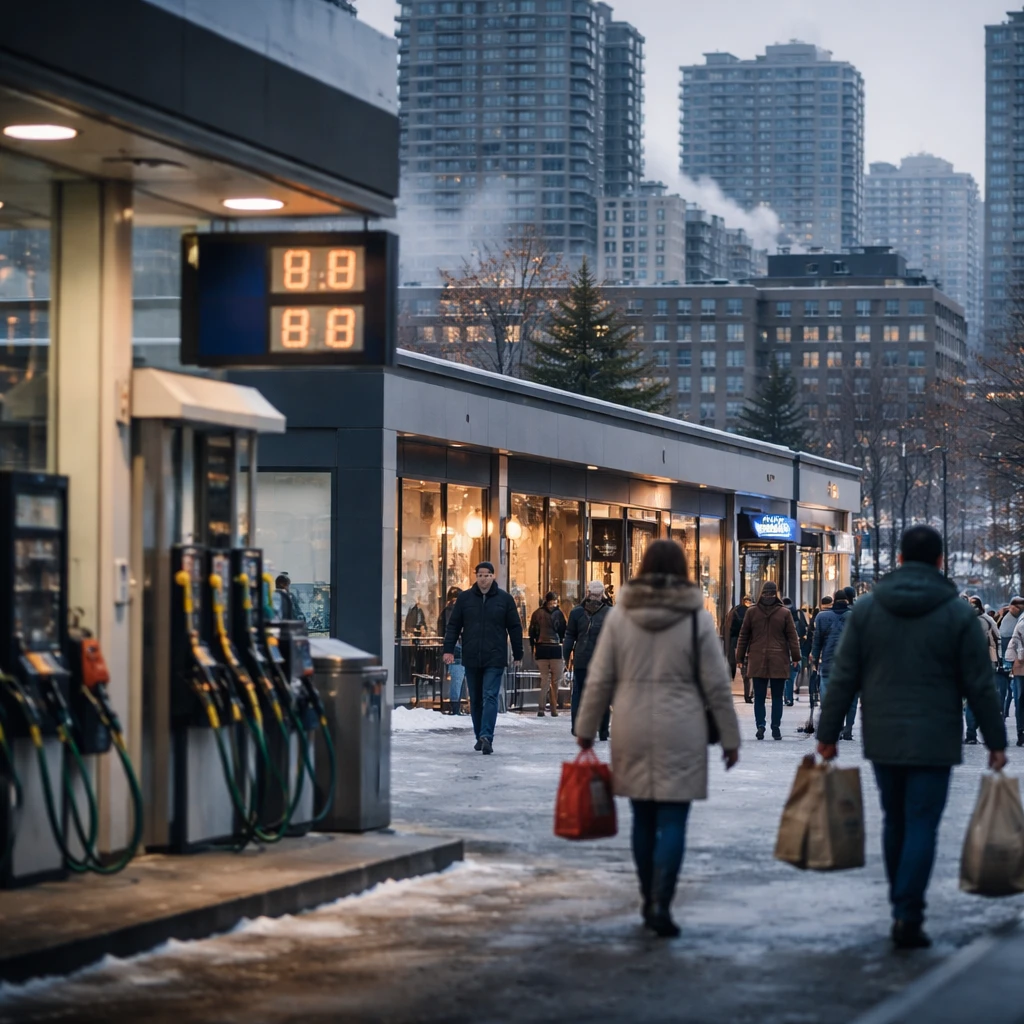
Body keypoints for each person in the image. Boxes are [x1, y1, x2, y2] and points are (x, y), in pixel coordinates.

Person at [817, 525, 1007, 950]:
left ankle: (899, 904)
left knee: (895, 819)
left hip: (884, 732)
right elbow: (979, 683)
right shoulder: (957, 612)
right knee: (922, 822)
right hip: (936, 735)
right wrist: (996, 740)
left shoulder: (868, 610)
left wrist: (828, 734)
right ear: (940, 561)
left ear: (899, 560)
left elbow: (844, 675)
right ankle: (909, 912)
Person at [576, 539, 741, 938]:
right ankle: (661, 903)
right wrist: (731, 737)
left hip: (630, 726)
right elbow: (717, 684)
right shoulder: (695, 619)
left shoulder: (620, 617)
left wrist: (585, 729)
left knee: (642, 818)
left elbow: (600, 678)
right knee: (674, 819)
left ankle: (646, 894)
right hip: (682, 729)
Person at [443, 562, 523, 755]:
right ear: (476, 576)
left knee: (490, 696)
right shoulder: (465, 599)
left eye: (487, 575)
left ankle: (487, 736)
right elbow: (454, 625)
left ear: (493, 577)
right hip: (471, 656)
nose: (483, 578)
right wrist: (448, 650)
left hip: (495, 657)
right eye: (480, 575)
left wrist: (518, 653)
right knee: (476, 699)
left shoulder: (505, 599)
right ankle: (480, 735)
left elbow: (514, 627)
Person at [735, 581, 801, 740]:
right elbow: (792, 637)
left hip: (757, 658)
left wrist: (739, 658)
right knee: (778, 696)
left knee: (759, 696)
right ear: (775, 593)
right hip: (779, 658)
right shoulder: (784, 613)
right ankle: (776, 727)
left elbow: (743, 636)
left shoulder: (752, 612)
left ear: (762, 593)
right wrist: (796, 657)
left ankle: (761, 725)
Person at [563, 581, 613, 739]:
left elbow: (570, 635)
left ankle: (578, 727)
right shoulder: (610, 612)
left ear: (587, 592)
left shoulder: (577, 612)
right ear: (602, 593)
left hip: (582, 659)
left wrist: (566, 656)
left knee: (579, 694)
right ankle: (603, 730)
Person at [810, 590, 856, 740]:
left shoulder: (822, 617)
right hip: (851, 665)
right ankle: (848, 729)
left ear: (834, 600)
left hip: (829, 663)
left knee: (828, 698)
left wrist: (815, 660)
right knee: (852, 699)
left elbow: (817, 642)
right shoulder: (855, 615)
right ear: (848, 601)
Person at [528, 591, 567, 717]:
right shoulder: (559, 614)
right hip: (556, 649)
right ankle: (554, 709)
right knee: (555, 681)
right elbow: (563, 631)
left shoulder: (537, 613)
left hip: (541, 649)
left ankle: (541, 708)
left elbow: (532, 632)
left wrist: (533, 647)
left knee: (544, 680)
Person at [437, 586, 464, 715]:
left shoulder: (445, 612)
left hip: (453, 648)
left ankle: (456, 706)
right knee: (464, 678)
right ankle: (457, 707)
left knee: (456, 678)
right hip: (460, 647)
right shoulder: (461, 611)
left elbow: (441, 631)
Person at [725, 595, 753, 703]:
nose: (748, 602)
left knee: (746, 672)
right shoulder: (739, 611)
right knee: (745, 671)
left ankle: (749, 693)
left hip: (743, 642)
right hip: (740, 642)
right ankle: (749, 693)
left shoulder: (748, 611)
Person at [1003, 606, 1024, 747]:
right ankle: (1021, 733)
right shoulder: (1022, 623)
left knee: (1020, 700)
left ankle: (1021, 733)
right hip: (1021, 666)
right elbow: (1015, 640)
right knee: (1020, 700)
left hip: (1019, 666)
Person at [782, 597, 807, 705]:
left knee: (784, 678)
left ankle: (786, 697)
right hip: (795, 650)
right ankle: (789, 698)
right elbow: (803, 631)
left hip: (782, 652)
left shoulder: (780, 616)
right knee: (791, 676)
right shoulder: (797, 615)